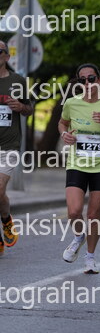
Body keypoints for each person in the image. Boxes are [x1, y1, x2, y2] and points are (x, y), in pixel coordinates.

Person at [58, 64, 100, 273]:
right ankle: (79, 236)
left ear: (99, 80)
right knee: (74, 211)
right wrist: (64, 134)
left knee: (94, 215)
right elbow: (62, 123)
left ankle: (90, 258)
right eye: (82, 80)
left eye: (91, 78)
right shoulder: (71, 103)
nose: (87, 83)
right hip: (77, 163)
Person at [0, 40, 33, 256]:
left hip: (8, 145)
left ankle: (5, 220)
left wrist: (21, 106)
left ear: (6, 56)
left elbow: (30, 109)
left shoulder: (17, 81)